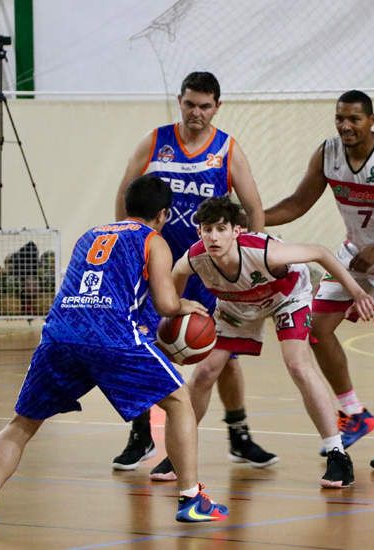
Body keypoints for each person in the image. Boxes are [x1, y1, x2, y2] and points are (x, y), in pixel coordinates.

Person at [0, 176, 228, 535]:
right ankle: (192, 500)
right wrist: (184, 306)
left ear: (128, 205)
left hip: (60, 333)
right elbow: (165, 302)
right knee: (180, 401)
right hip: (110, 334)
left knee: (21, 424)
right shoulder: (154, 240)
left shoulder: (91, 234)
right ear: (164, 214)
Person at [113, 71, 276, 479]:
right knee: (145, 349)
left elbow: (254, 206)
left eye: (205, 106)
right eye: (190, 104)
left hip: (212, 267)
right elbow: (125, 192)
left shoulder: (227, 149)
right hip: (161, 266)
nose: (196, 112)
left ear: (217, 107)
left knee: (226, 355)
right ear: (180, 101)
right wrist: (129, 242)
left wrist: (251, 258)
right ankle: (140, 434)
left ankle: (238, 434)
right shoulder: (155, 141)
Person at [264, 91, 374, 471]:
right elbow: (297, 203)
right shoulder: (327, 153)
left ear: (371, 121)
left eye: (354, 119)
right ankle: (353, 412)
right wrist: (252, 218)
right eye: (340, 118)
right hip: (354, 253)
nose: (345, 125)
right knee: (316, 328)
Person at [152, 197, 374, 486]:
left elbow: (319, 252)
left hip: (286, 298)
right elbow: (175, 282)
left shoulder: (264, 252)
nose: (214, 236)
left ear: (237, 231)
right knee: (205, 372)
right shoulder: (194, 258)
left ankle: (337, 455)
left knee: (297, 364)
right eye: (207, 229)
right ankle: (176, 455)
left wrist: (356, 292)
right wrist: (178, 306)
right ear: (199, 233)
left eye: (221, 229)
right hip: (236, 305)